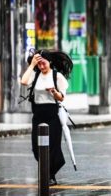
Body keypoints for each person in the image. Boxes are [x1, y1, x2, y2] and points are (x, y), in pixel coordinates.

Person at [20, 50, 73, 186]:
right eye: (39, 64)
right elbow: (24, 82)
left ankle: (50, 175)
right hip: (38, 113)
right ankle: (51, 170)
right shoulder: (35, 75)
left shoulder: (57, 76)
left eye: (43, 63)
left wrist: (54, 92)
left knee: (53, 147)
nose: (41, 67)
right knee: (36, 148)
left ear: (49, 62)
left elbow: (62, 97)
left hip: (52, 113)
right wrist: (32, 65)